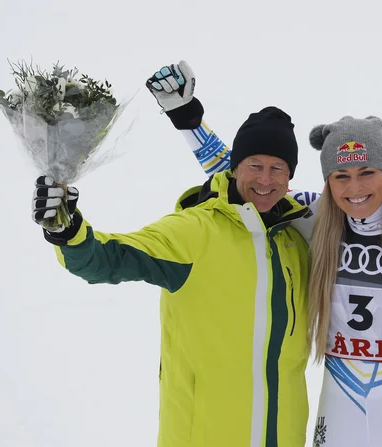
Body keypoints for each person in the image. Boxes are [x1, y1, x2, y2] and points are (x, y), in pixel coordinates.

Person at [147, 62, 382, 446]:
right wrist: (188, 120)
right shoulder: (314, 220)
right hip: (340, 394)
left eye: (367, 172)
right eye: (341, 177)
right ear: (328, 182)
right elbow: (247, 180)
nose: (355, 188)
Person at [32, 81, 314, 445]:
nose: (265, 179)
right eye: (254, 165)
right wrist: (68, 230)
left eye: (278, 168)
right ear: (234, 168)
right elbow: (108, 259)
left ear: (290, 176)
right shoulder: (196, 231)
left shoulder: (295, 243)